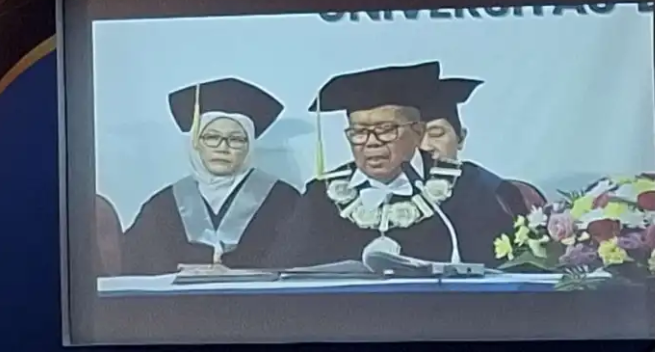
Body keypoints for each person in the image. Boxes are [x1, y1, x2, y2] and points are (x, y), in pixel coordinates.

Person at [273, 62, 526, 269]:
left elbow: (505, 270)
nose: (371, 142)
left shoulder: (468, 187)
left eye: (386, 130)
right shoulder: (322, 195)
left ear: (417, 132)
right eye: (359, 132)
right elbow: (284, 272)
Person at [122, 77, 300, 275]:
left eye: (236, 139)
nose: (223, 148)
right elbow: (135, 266)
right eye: (212, 137)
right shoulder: (161, 207)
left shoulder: (285, 201)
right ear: (196, 143)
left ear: (250, 145)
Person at [419, 77, 547, 212]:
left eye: (436, 133)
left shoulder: (501, 194)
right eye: (416, 137)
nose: (424, 146)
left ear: (460, 138)